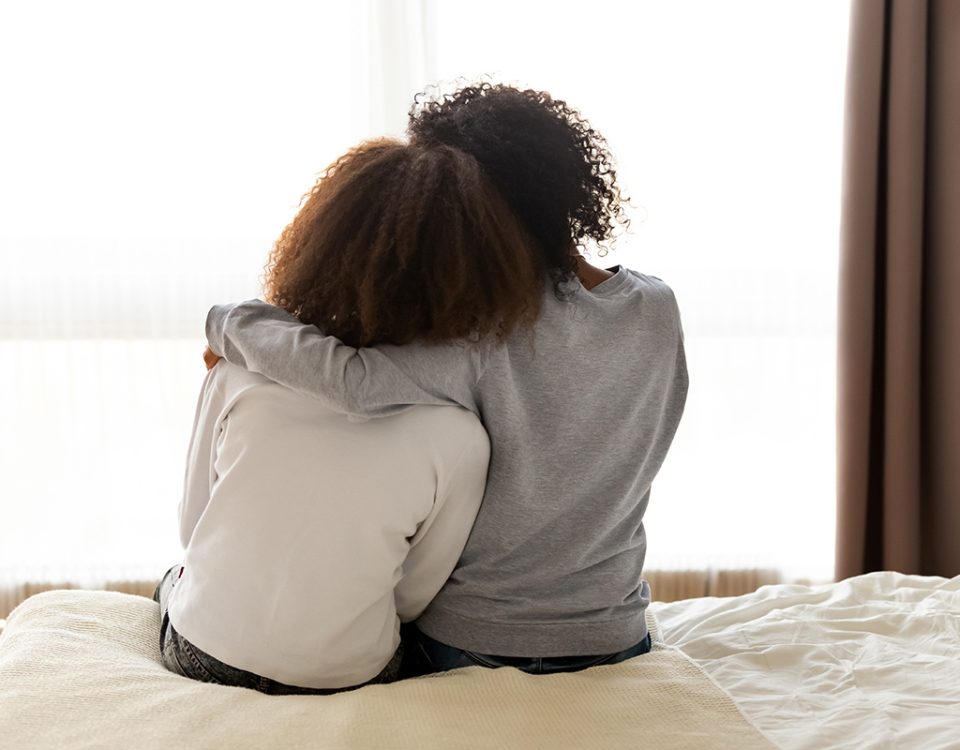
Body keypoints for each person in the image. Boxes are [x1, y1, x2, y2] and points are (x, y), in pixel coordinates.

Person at [204, 83, 689, 676]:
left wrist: (229, 321)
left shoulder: (489, 333)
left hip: (477, 642)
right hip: (617, 632)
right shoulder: (657, 309)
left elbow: (352, 380)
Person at [154, 137, 549, 694]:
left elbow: (193, 527)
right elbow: (412, 597)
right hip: (345, 675)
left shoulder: (237, 373)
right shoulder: (460, 436)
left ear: (321, 244)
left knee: (171, 582)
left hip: (204, 651)